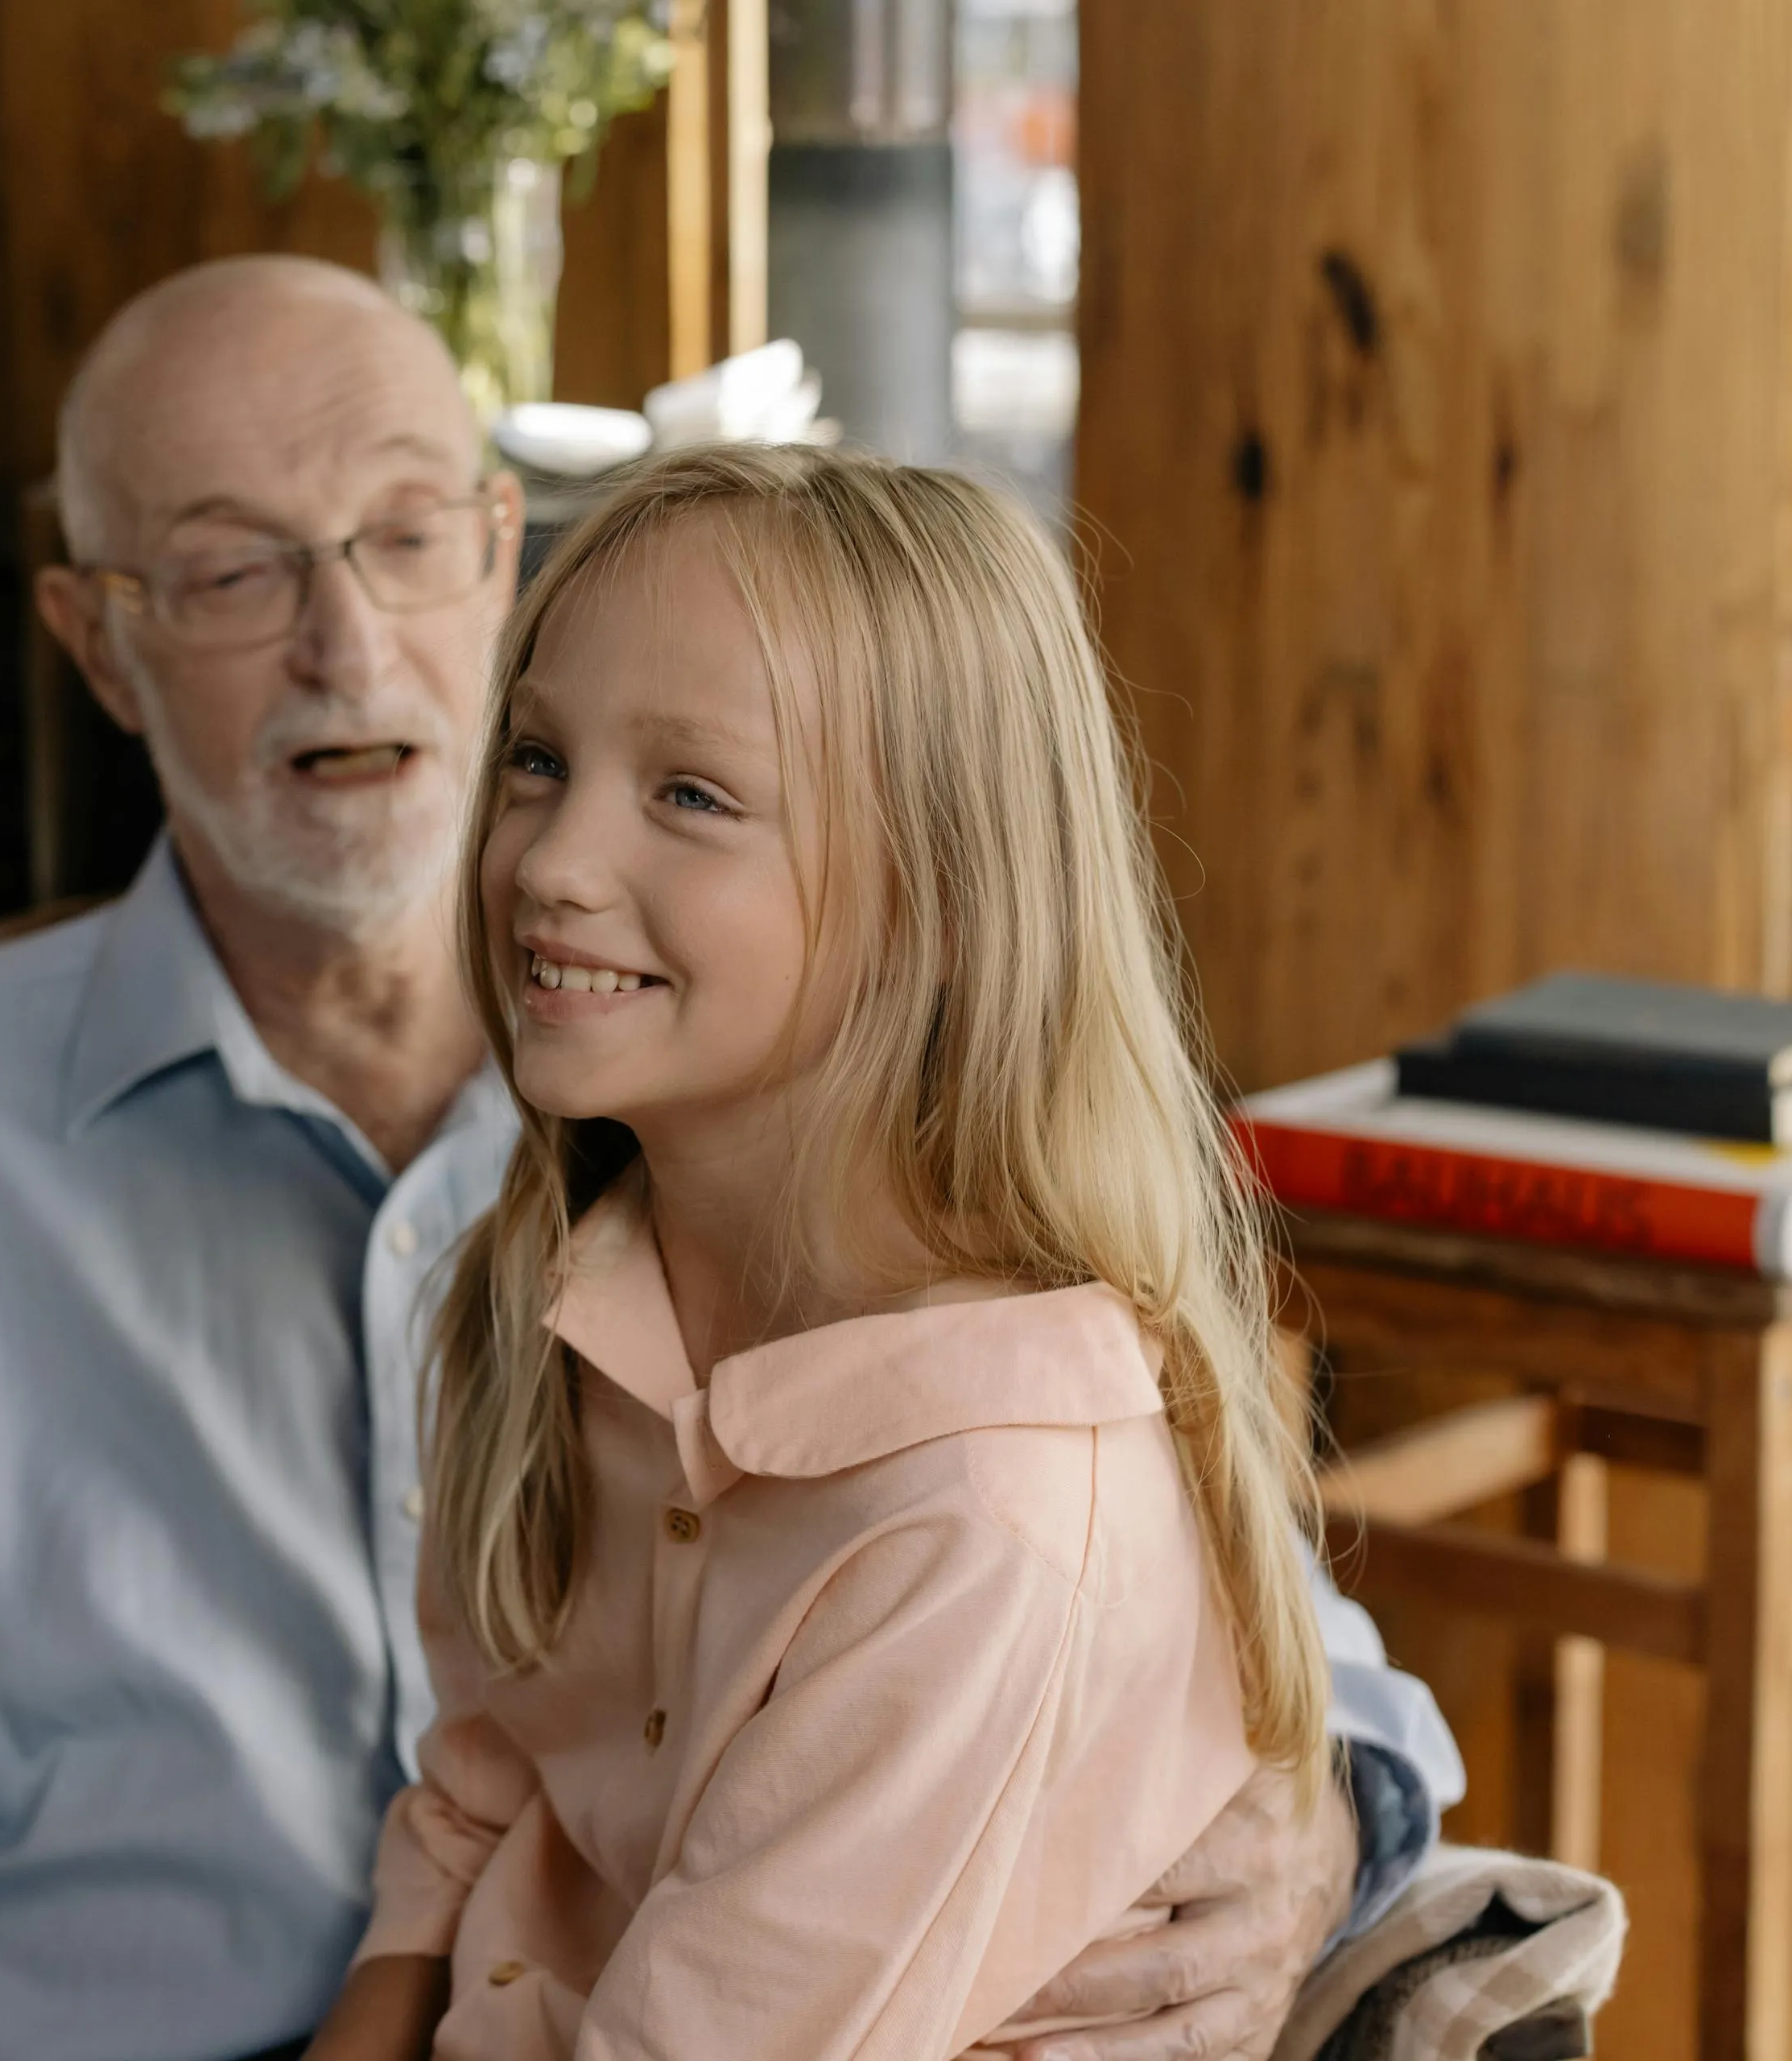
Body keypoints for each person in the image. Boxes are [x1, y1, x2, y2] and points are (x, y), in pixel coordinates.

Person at [0, 257, 1462, 2061]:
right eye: (232, 569)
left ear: (501, 553)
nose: (348, 641)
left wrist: (1309, 1817)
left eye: (406, 536)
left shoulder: (789, 1154)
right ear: (100, 647)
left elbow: (1201, 1621)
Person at [305, 442, 1326, 2061]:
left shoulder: (983, 1514)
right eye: (536, 760)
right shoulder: (547, 1292)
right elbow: (482, 1790)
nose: (551, 864)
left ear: (936, 893)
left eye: (690, 795)